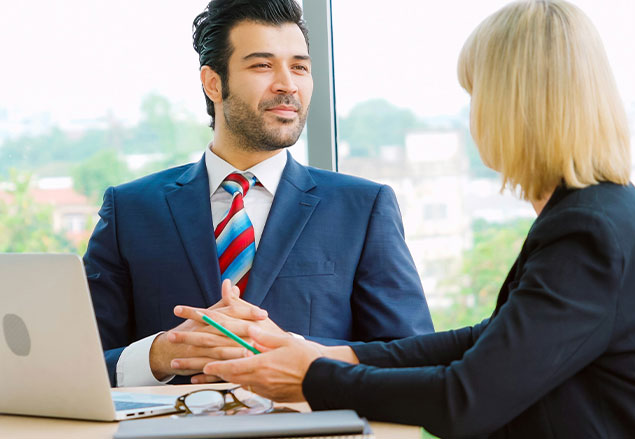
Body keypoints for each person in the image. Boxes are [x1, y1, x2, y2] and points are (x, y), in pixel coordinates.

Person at [193, 1, 635, 437]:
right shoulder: (597, 213)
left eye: (477, 97)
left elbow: (464, 400)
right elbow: (485, 339)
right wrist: (323, 354)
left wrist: (310, 378)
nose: (473, 119)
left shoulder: (589, 231)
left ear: (513, 106)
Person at [83, 0, 433, 388]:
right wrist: (161, 354)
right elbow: (75, 363)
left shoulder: (363, 208)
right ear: (213, 82)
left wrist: (297, 351)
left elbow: (411, 357)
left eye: (299, 66)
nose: (288, 84)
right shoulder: (130, 210)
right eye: (263, 65)